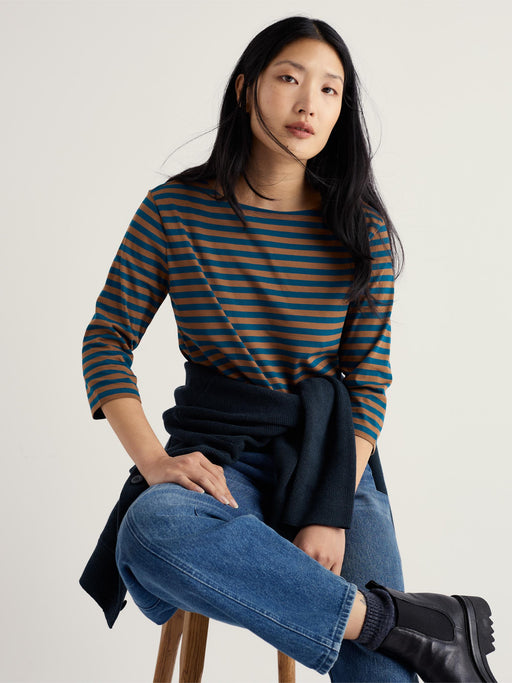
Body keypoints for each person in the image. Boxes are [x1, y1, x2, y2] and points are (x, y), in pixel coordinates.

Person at [80, 16, 497, 682]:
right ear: (246, 89)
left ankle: (386, 627)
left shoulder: (359, 228)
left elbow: (369, 381)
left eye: (330, 89)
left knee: (380, 675)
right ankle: (404, 623)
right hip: (221, 457)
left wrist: (329, 510)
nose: (309, 104)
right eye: (289, 79)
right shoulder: (174, 211)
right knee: (152, 528)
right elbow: (107, 338)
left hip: (332, 456)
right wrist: (154, 461)